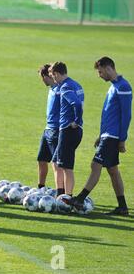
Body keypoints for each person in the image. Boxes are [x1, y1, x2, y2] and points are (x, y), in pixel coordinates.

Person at [70, 57, 132, 216]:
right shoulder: (115, 86)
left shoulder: (123, 86)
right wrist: (100, 135)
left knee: (95, 165)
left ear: (108, 68)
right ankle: (122, 207)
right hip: (107, 135)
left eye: (100, 71)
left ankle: (80, 199)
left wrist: (122, 139)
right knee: (113, 171)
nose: (99, 75)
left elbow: (126, 115)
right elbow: (109, 114)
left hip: (113, 136)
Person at [49, 62, 84, 196]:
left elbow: (77, 104)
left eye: (53, 76)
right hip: (72, 131)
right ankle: (60, 193)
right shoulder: (76, 84)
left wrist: (76, 121)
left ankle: (67, 197)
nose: (53, 79)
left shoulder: (65, 86)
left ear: (57, 74)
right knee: (56, 161)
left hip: (69, 130)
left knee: (66, 166)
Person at [37, 64, 64, 194]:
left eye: (41, 77)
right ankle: (41, 188)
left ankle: (61, 192)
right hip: (47, 129)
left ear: (46, 76)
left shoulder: (60, 89)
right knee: (41, 159)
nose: (41, 81)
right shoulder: (52, 89)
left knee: (57, 163)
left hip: (56, 130)